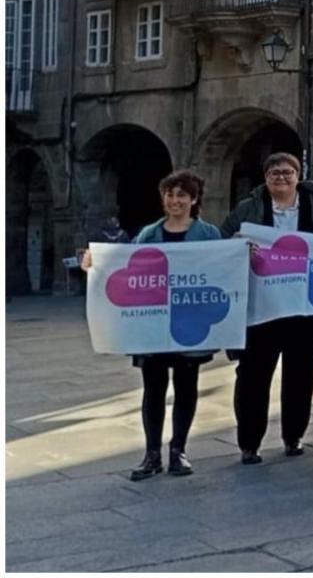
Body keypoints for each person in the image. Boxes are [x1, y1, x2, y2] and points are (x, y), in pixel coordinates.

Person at [82, 169, 225, 480]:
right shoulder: (148, 234)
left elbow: (224, 269)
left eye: (182, 195)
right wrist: (96, 261)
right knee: (153, 389)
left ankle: (178, 451)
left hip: (189, 322)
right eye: (170, 194)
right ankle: (151, 454)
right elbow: (126, 266)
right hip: (153, 324)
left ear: (194, 199)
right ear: (163, 198)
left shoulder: (209, 234)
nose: (175, 200)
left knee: (186, 388)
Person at [221, 152, 313, 465]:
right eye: (274, 173)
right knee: (253, 377)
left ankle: (294, 435)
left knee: (301, 376)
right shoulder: (248, 207)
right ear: (265, 179)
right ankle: (249, 443)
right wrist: (239, 243)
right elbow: (223, 240)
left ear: (298, 175)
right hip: (261, 309)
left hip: (305, 310)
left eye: (287, 172)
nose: (281, 177)